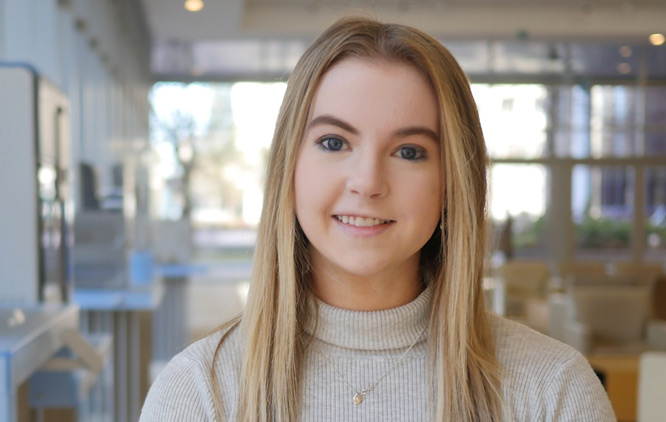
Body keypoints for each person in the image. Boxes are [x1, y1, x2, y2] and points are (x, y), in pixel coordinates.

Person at [140, 16, 616, 422]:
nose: (367, 182)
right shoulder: (198, 393)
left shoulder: (554, 392)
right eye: (334, 142)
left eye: (409, 151)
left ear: (452, 183)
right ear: (290, 167)